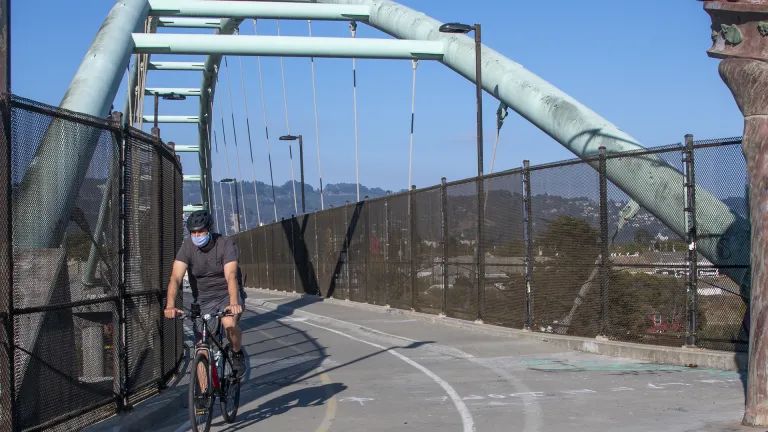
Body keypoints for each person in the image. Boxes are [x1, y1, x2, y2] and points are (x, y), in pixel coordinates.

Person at [164, 210, 246, 378]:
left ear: (210, 229)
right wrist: (170, 305)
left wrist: (233, 302)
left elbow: (231, 276)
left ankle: (237, 353)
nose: (197, 235)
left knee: (229, 323)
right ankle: (202, 400)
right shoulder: (187, 246)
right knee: (201, 348)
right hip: (202, 299)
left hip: (226, 295)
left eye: (200, 231)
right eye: (193, 232)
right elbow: (175, 278)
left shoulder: (225, 244)